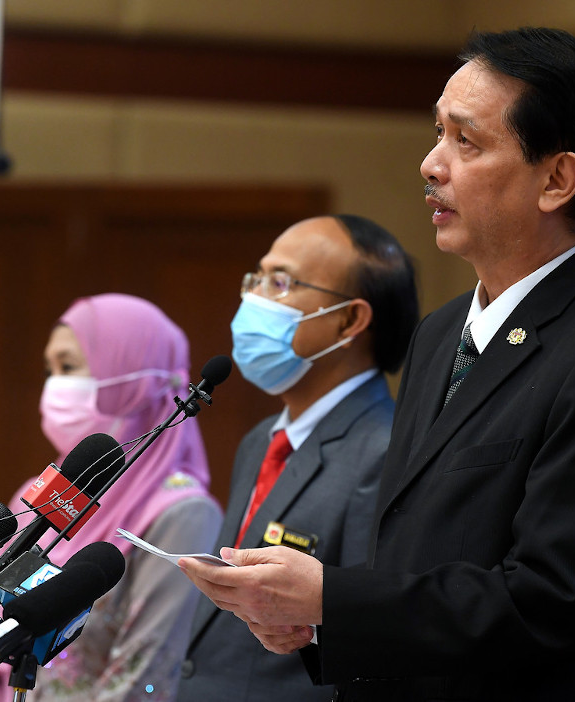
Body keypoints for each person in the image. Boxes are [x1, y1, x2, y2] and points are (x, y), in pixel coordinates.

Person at [179, 27, 575, 701]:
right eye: (437, 133)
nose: (431, 163)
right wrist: (314, 620)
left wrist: (332, 597)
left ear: (557, 179)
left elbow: (548, 603)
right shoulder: (441, 333)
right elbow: (410, 561)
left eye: (465, 141)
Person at [177, 214, 418, 702]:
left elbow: (373, 630)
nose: (254, 299)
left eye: (280, 282)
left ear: (350, 320)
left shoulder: (387, 449)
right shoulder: (261, 438)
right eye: (257, 278)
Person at [0, 293, 223, 702]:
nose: (54, 385)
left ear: (129, 374)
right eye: (50, 370)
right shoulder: (36, 493)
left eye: (70, 367)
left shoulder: (182, 513)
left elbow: (142, 680)